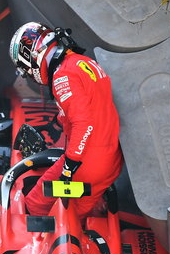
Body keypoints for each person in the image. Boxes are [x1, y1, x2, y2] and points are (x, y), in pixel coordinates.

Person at [9, 21, 124, 218]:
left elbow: (83, 123)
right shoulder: (83, 62)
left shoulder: (63, 76)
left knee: (36, 205)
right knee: (76, 216)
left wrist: (69, 166)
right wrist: (56, 125)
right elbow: (92, 107)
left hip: (86, 164)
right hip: (111, 161)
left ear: (32, 57)